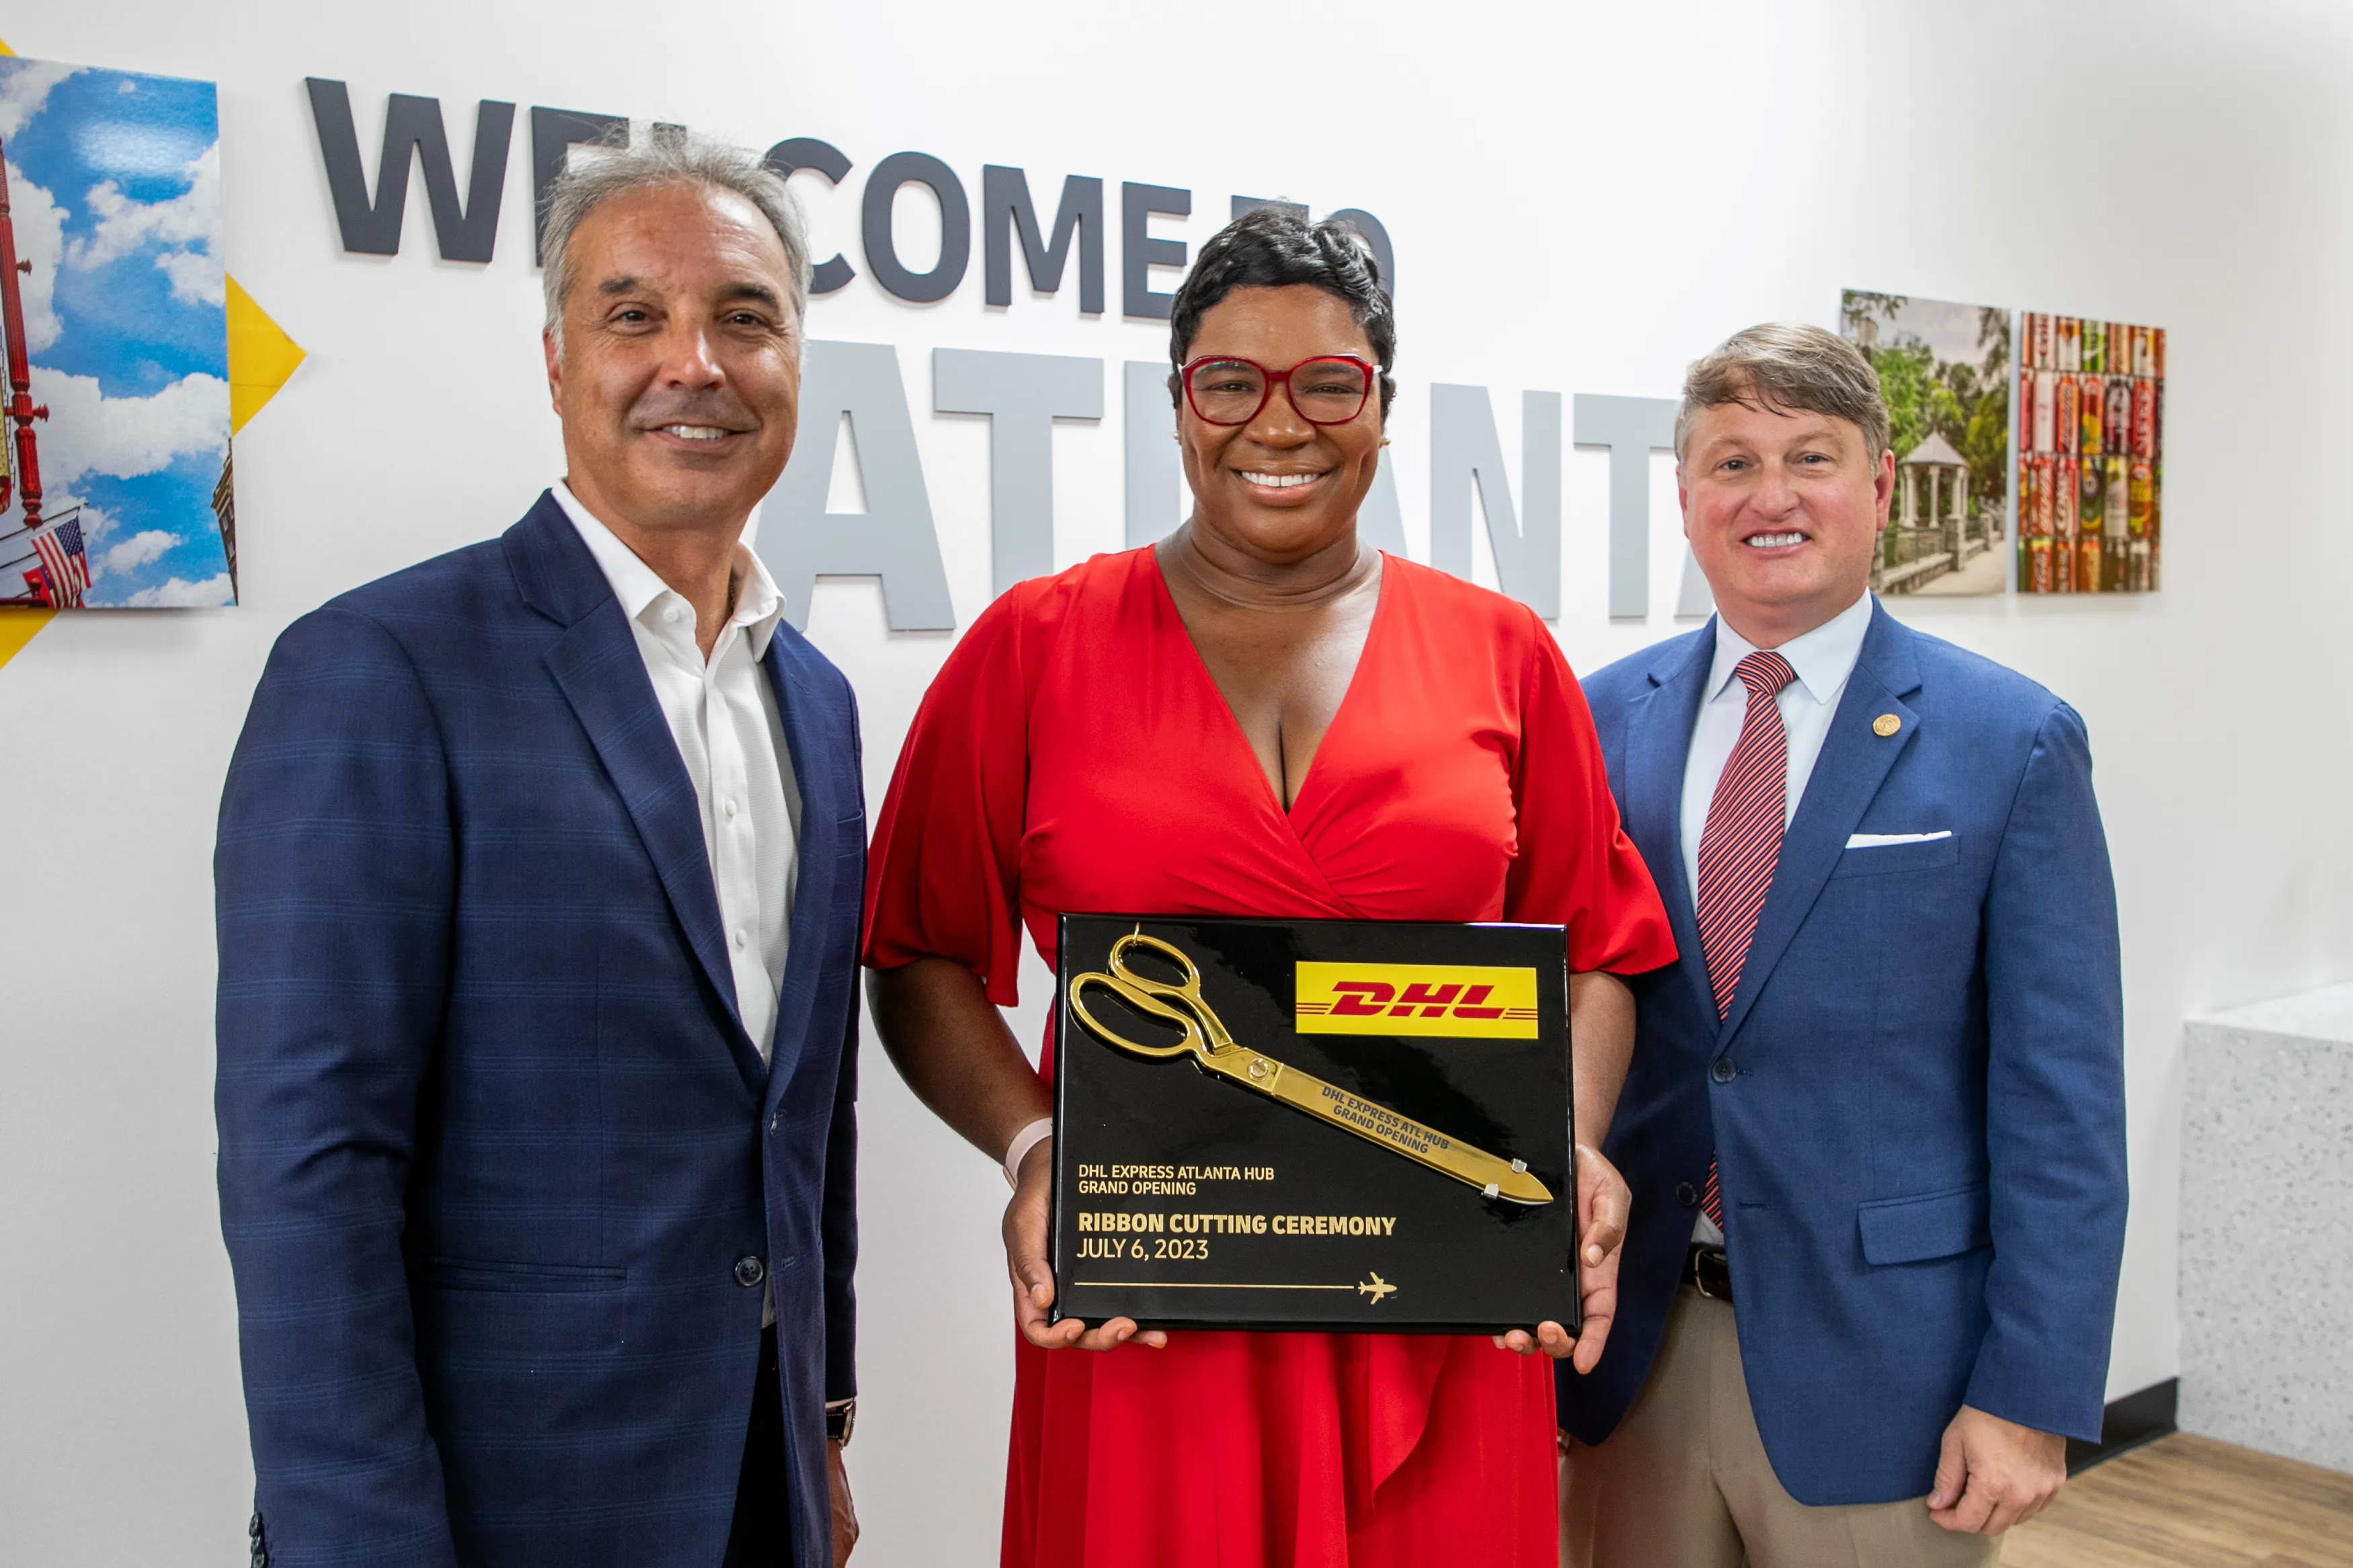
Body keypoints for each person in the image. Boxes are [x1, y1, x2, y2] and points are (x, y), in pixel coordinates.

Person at [859, 206, 1676, 1568]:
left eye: (1328, 383)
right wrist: (1036, 1152)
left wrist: (1565, 1152)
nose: (1278, 423)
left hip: (1448, 1291)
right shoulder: (1034, 646)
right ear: (1180, 406)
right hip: (1148, 1311)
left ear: (1383, 406)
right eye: (1230, 381)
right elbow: (917, 952)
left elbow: (1594, 948)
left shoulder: (1502, 652)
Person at [215, 132, 863, 1568]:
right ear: (557, 361)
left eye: (744, 317)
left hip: (756, 1490)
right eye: (635, 315)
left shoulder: (815, 700)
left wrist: (817, 1419)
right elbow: (308, 1164)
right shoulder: (380, 668)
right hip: (491, 1508)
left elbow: (803, 1118)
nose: (694, 361)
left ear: (795, 362)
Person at [1556, 323, 2128, 1567]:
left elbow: (2064, 1103)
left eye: (1810, 458)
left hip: (1891, 1377)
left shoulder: (2012, 740)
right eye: (1732, 462)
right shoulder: (1593, 723)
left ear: (1880, 485)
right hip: (1633, 1361)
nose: (1771, 496)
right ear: (1685, 497)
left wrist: (2031, 1392)